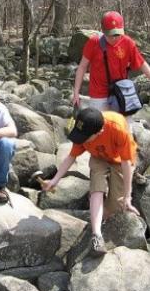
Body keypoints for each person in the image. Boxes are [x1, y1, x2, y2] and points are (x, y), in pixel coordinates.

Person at [42, 107, 140, 257]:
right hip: (98, 158)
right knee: (97, 189)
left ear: (99, 132)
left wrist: (128, 197)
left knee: (115, 206)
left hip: (120, 161)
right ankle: (96, 235)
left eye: (84, 138)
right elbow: (71, 157)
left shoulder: (117, 128)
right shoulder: (84, 130)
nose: (80, 140)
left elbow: (127, 164)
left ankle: (104, 213)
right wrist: (55, 180)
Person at [73, 11, 150, 112]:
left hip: (121, 92)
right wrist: (76, 92)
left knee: (122, 127)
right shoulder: (94, 42)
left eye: (117, 34)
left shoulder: (128, 42)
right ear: (103, 31)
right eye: (110, 35)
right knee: (101, 126)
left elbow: (142, 64)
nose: (114, 38)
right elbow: (82, 67)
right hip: (98, 95)